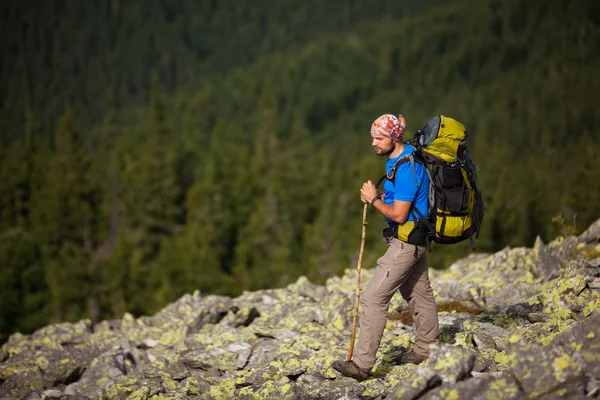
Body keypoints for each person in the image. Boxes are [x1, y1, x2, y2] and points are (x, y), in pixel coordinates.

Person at [332, 114, 439, 381]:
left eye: (379, 138)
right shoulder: (402, 157)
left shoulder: (406, 168)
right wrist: (379, 197)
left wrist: (373, 199)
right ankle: (426, 349)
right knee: (419, 294)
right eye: (372, 137)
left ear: (395, 137)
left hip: (406, 242)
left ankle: (361, 365)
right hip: (414, 238)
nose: (373, 143)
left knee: (373, 298)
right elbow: (400, 202)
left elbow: (400, 215)